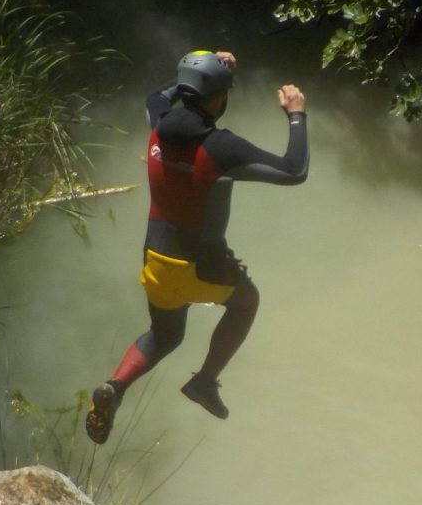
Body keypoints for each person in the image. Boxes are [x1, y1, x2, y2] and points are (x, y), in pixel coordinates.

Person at [85, 49, 309, 444]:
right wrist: (296, 114)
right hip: (202, 265)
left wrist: (196, 74)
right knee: (247, 302)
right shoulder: (221, 148)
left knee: (165, 335)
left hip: (156, 258)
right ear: (218, 99)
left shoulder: (159, 123)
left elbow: (156, 95)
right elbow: (294, 170)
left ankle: (115, 387)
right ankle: (205, 381)